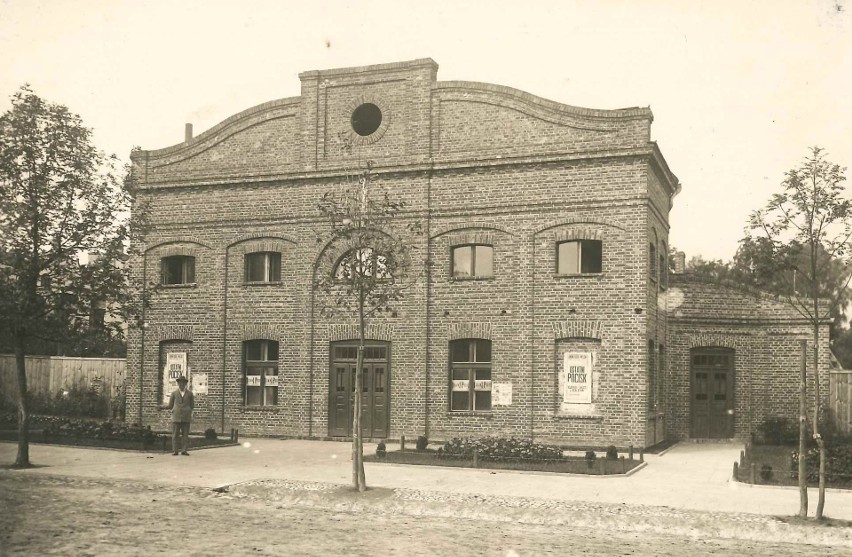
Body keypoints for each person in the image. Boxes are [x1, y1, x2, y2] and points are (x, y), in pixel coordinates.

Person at [168, 376, 194, 455]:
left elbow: (192, 405)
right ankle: (175, 450)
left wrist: (188, 410)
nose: (181, 384)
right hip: (176, 416)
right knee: (175, 434)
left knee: (185, 434)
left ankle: (184, 450)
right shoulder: (174, 394)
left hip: (186, 417)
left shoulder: (190, 394)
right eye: (180, 383)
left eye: (183, 383)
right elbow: (170, 405)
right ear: (178, 384)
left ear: (185, 384)